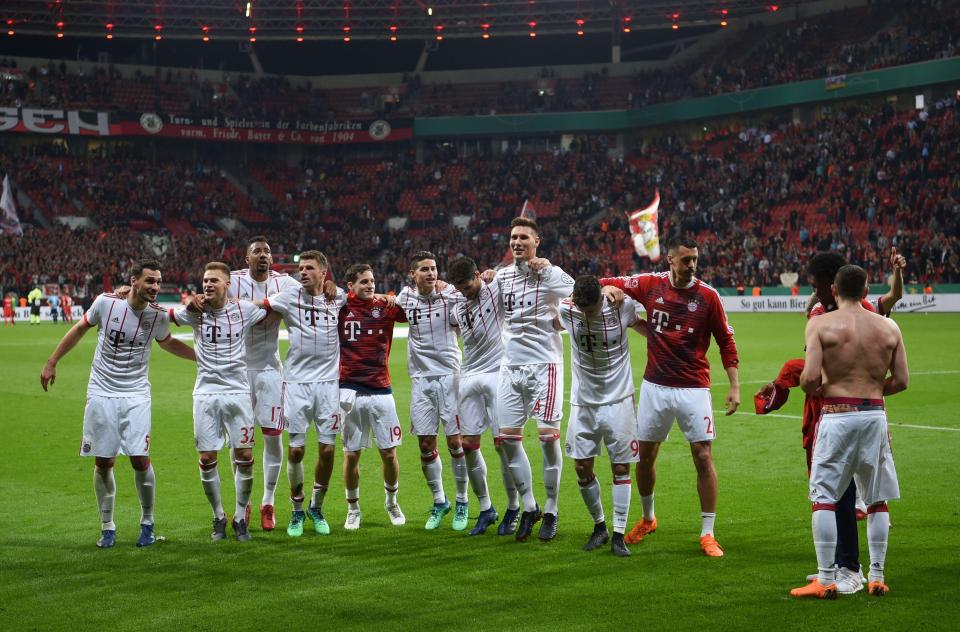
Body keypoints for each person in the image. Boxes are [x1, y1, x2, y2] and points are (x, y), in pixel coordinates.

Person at [754, 248, 905, 593]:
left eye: (816, 283)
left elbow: (810, 375)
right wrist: (869, 391)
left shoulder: (822, 317)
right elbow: (902, 379)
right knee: (868, 494)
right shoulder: (870, 319)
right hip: (869, 411)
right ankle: (865, 572)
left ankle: (841, 572)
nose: (814, 290)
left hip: (836, 410)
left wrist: (819, 384)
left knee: (831, 492)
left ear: (832, 284)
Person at [601, 235, 740, 557]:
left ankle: (707, 532)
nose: (691, 265)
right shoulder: (650, 284)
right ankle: (648, 519)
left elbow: (726, 341)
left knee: (703, 456)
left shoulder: (708, 296)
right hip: (655, 387)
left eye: (695, 259)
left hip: (694, 388)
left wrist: (734, 386)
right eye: (685, 260)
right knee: (646, 456)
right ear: (670, 261)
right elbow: (602, 281)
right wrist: (608, 289)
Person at [39, 260, 196, 548]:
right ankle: (107, 526)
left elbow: (168, 342)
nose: (155, 287)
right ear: (134, 281)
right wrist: (52, 361)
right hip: (101, 390)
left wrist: (200, 358)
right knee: (103, 462)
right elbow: (78, 329)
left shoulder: (158, 316)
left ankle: (147, 523)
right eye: (150, 281)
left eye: (159, 282)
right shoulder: (106, 303)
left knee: (140, 458)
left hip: (136, 393)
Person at [171, 261, 274, 542]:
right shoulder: (194, 313)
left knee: (244, 457)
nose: (208, 285)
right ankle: (218, 516)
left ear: (227, 284)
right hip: (205, 394)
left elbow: (277, 304)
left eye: (214, 280)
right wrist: (123, 293)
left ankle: (240, 516)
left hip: (238, 393)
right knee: (207, 458)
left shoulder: (244, 309)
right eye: (205, 280)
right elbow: (160, 316)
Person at [492, 216, 575, 541]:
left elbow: (583, 296)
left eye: (524, 237)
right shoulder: (502, 277)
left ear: (536, 242)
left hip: (545, 366)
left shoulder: (551, 274)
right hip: (510, 368)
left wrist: (562, 323)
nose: (517, 242)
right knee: (508, 440)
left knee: (547, 439)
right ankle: (530, 506)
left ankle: (552, 509)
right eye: (513, 237)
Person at [260, 251, 347, 537]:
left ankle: (316, 507)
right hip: (296, 384)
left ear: (324, 272)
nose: (303, 272)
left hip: (328, 384)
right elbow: (256, 305)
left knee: (327, 449)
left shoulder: (338, 297)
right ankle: (297, 510)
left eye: (309, 268)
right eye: (300, 268)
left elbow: (367, 295)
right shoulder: (289, 296)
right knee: (296, 450)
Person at [557, 275, 640, 557]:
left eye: (589, 309)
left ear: (601, 300)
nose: (584, 314)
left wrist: (614, 288)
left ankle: (619, 534)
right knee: (581, 467)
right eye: (581, 308)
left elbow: (647, 298)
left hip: (618, 401)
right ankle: (599, 526)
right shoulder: (567, 309)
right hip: (582, 403)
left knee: (620, 468)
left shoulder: (622, 307)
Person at [228, 236, 300, 531]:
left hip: (270, 369)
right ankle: (240, 505)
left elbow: (316, 289)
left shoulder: (285, 284)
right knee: (239, 442)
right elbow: (205, 291)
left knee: (273, 436)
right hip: (237, 372)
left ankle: (267, 502)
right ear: (246, 259)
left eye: (267, 252)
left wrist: (330, 286)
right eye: (256, 251)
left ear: (272, 259)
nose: (262, 255)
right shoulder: (231, 281)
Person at [396, 251, 470, 530]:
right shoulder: (405, 298)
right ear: (412, 275)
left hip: (450, 377)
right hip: (421, 381)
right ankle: (440, 501)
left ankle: (462, 501)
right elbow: (385, 302)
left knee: (456, 443)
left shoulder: (451, 295)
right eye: (424, 269)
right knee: (426, 445)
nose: (431, 273)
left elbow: (473, 296)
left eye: (434, 268)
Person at [446, 256, 517, 536]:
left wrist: (495, 271)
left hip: (497, 372)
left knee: (504, 445)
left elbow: (516, 269)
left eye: (468, 285)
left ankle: (513, 507)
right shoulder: (455, 301)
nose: (466, 292)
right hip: (469, 375)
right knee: (468, 444)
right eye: (460, 289)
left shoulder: (494, 287)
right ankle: (486, 508)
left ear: (478, 275)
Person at [338, 263, 408, 530]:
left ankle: (391, 501)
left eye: (371, 281)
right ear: (351, 286)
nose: (370, 285)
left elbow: (411, 310)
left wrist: (394, 298)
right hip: (349, 389)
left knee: (389, 453)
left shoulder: (386, 306)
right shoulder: (340, 307)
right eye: (364, 282)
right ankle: (353, 508)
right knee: (351, 454)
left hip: (381, 387)